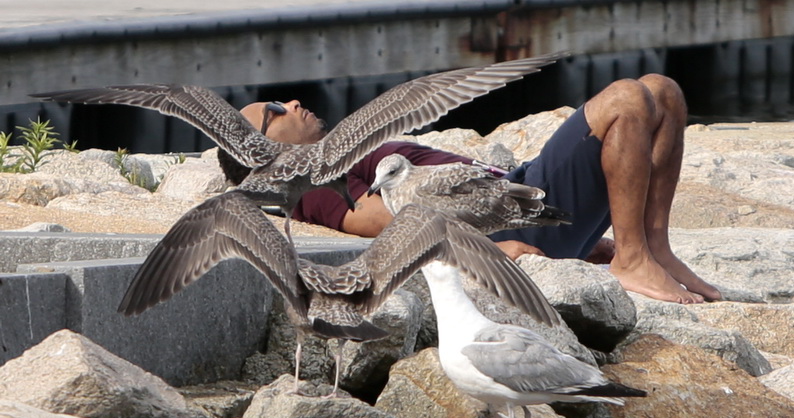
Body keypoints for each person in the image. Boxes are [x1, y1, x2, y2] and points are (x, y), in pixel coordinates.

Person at [223, 74, 721, 304]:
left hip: (524, 195)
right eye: (274, 113)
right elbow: (393, 220)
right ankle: (633, 261)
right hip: (519, 211)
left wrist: (586, 243)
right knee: (628, 97)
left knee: (664, 92)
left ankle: (654, 248)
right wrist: (494, 249)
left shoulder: (341, 156)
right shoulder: (314, 185)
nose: (291, 102)